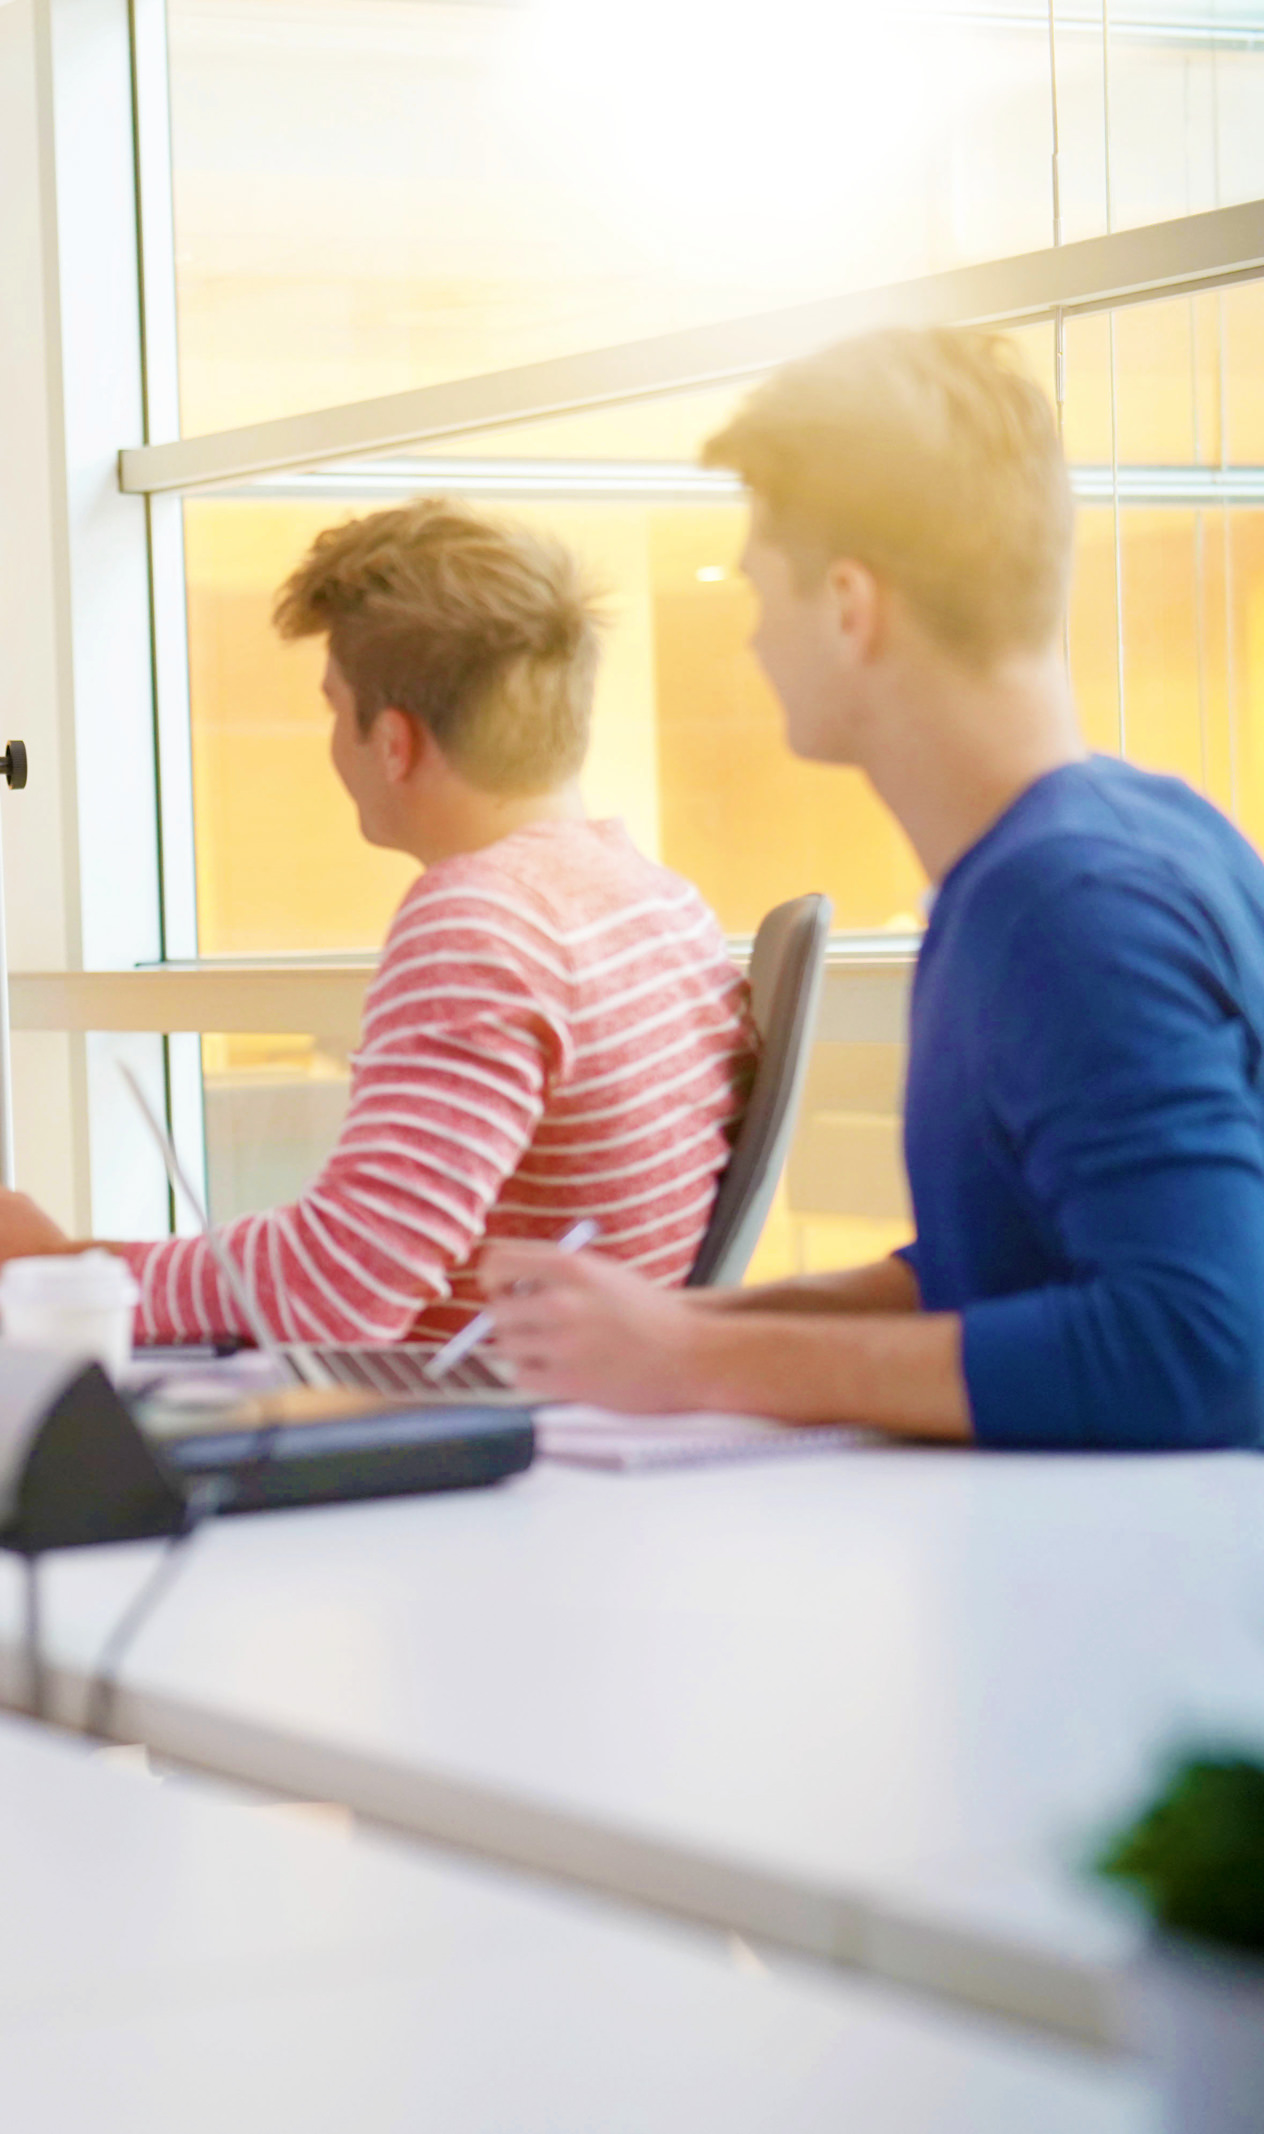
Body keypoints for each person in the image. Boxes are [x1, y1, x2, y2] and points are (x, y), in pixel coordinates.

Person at [483, 328, 1264, 1451]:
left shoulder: (1065, 905)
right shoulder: (1119, 841)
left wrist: (701, 1357)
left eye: (758, 594)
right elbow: (1003, 1261)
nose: (749, 640)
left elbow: (1201, 1343)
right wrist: (675, 1326)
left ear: (850, 606)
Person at [0, 500, 753, 1348]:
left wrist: (50, 1270)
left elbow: (337, 1288)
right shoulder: (663, 904)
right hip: (572, 1415)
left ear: (394, 742)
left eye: (333, 706)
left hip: (455, 1436)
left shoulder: (482, 922)